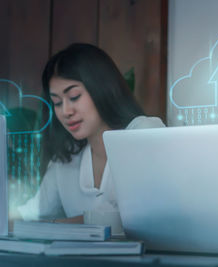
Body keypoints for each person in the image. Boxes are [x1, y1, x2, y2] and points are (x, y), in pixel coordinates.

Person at [13, 43, 165, 223]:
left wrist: (56, 226)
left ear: (101, 88)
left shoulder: (143, 132)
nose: (66, 111)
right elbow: (31, 213)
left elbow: (128, 216)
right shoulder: (67, 156)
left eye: (74, 97)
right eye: (57, 102)